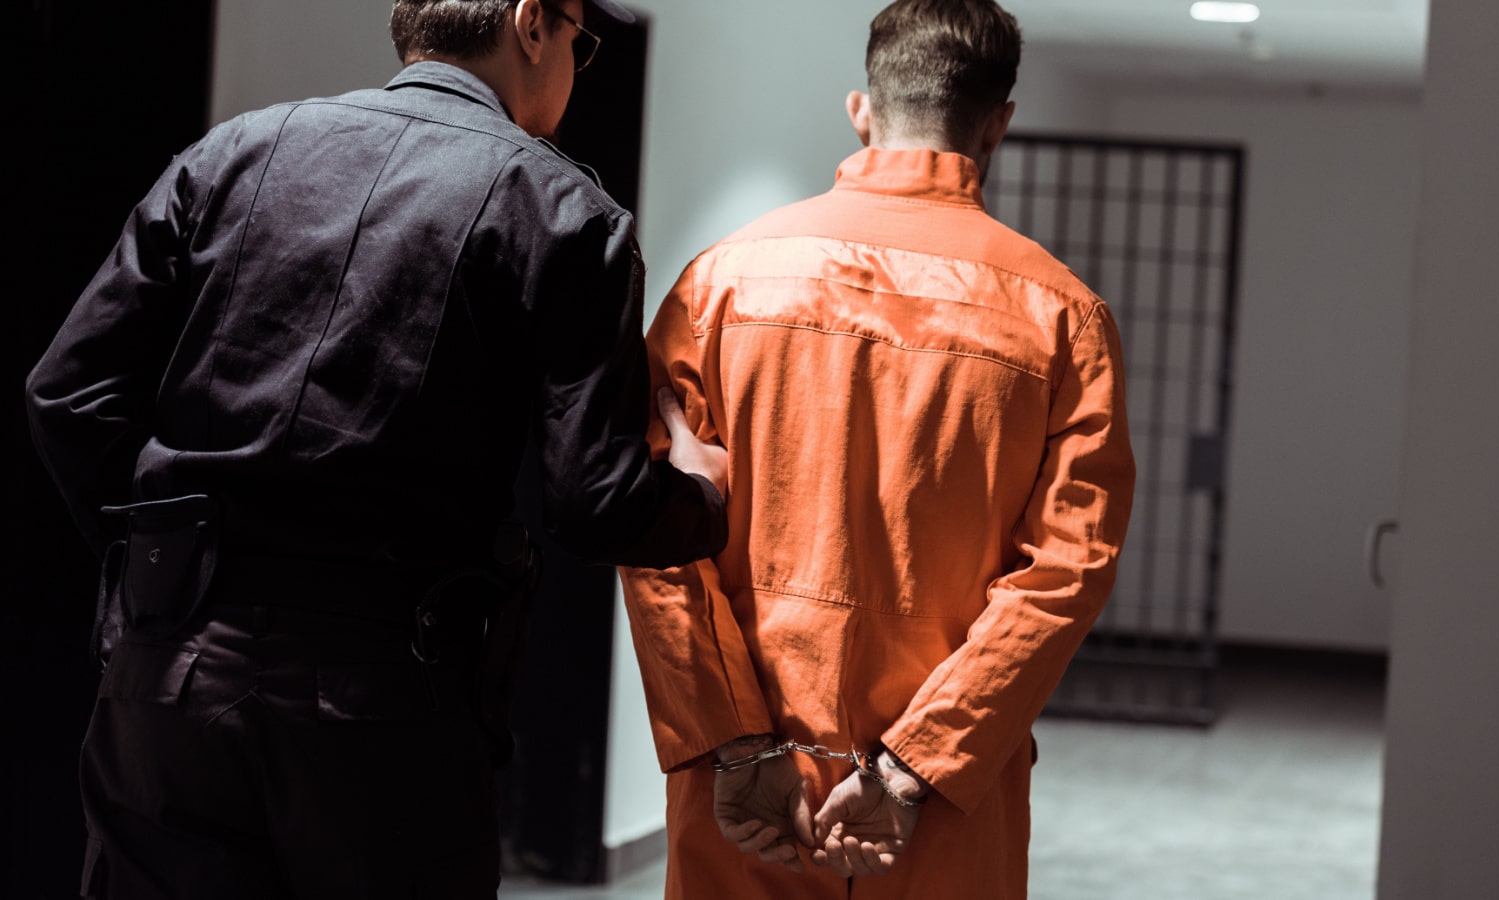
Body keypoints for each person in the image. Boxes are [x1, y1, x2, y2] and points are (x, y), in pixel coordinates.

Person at [23, 1, 729, 896]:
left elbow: (66, 393)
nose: (578, 66)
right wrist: (701, 497)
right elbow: (594, 503)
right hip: (385, 708)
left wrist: (170, 561)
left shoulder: (232, 152)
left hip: (170, 680)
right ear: (531, 25)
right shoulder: (565, 214)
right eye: (580, 39)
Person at [618, 0, 1137, 897]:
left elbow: (655, 533)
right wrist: (912, 766)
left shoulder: (720, 284)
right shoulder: (1063, 322)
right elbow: (1066, 573)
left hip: (748, 793)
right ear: (998, 126)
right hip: (935, 810)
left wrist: (736, 740)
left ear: (862, 107)